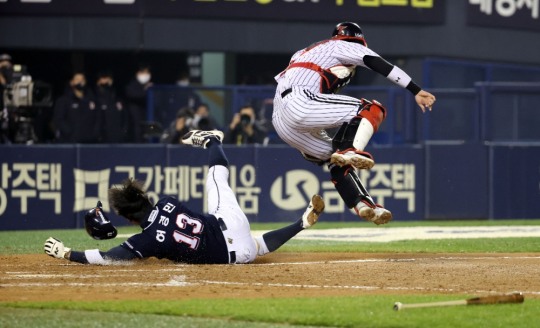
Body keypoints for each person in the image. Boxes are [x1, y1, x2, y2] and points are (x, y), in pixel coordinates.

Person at [43, 129, 325, 265]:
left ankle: (301, 224)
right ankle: (212, 140)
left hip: (238, 257)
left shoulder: (145, 240)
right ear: (146, 198)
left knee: (255, 246)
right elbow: (159, 223)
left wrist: (68, 253)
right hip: (230, 222)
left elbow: (108, 257)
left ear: (129, 217)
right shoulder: (167, 202)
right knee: (217, 176)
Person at [272, 22, 436, 225]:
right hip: (299, 101)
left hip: (281, 120)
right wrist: (415, 89)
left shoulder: (304, 52)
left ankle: (363, 205)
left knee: (335, 159)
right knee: (371, 109)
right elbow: (377, 63)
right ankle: (351, 149)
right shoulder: (344, 44)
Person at [52, 71, 99, 143]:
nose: (80, 82)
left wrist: (94, 134)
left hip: (89, 142)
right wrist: (70, 132)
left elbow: (98, 119)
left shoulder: (92, 100)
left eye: (82, 80)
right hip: (70, 142)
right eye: (77, 80)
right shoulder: (63, 100)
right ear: (72, 82)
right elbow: (59, 119)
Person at [94, 70, 127, 143]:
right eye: (104, 78)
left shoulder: (118, 99)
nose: (106, 81)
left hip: (118, 137)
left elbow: (125, 117)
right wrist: (98, 134)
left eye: (108, 79)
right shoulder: (95, 99)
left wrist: (124, 131)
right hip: (102, 139)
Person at [124, 65, 153, 143]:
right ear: (138, 73)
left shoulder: (149, 86)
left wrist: (150, 89)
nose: (146, 75)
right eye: (144, 73)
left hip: (147, 121)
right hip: (134, 122)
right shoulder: (131, 85)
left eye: (147, 73)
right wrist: (146, 90)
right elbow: (133, 95)